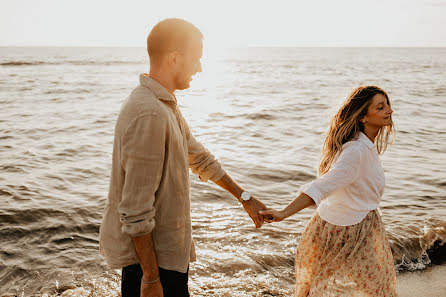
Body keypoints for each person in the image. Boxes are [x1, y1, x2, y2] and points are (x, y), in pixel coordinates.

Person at [99, 18, 267, 297]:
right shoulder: (149, 113)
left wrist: (245, 198)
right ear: (175, 58)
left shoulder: (164, 106)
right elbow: (135, 208)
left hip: (166, 260)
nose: (200, 67)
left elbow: (200, 158)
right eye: (197, 58)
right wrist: (151, 280)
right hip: (152, 268)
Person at [260, 86, 397, 297]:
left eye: (387, 104)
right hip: (345, 230)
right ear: (362, 116)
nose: (389, 110)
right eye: (380, 107)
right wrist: (283, 213)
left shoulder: (364, 146)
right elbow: (321, 186)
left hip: (357, 224)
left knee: (365, 289)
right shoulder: (356, 151)